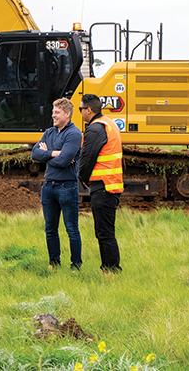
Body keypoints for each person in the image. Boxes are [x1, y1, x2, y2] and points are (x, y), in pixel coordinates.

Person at [31, 97, 83, 270]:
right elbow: (34, 154)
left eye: (57, 112)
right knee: (50, 228)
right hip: (48, 186)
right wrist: (54, 154)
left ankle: (76, 266)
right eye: (53, 112)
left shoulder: (74, 134)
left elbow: (64, 161)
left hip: (67, 187)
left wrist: (47, 155)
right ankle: (54, 263)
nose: (53, 115)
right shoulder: (49, 132)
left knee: (71, 229)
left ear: (67, 114)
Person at [78, 93, 123, 275]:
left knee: (104, 232)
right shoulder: (109, 123)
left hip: (103, 186)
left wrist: (83, 178)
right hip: (110, 184)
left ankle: (111, 269)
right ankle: (110, 268)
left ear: (89, 110)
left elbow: (87, 157)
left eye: (81, 109)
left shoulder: (96, 128)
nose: (80, 112)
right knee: (106, 231)